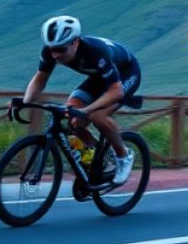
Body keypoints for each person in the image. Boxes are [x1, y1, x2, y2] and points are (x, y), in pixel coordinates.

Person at [17, 15, 141, 185]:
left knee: (98, 115)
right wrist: (24, 102)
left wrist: (87, 111)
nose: (55, 55)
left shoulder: (95, 52)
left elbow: (116, 91)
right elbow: (40, 78)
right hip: (99, 77)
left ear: (75, 43)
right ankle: (100, 157)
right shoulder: (51, 51)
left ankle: (123, 156)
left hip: (126, 73)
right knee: (72, 116)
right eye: (52, 49)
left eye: (61, 49)